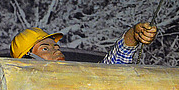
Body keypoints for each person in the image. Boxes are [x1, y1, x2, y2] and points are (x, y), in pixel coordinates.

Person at [9, 23, 158, 63]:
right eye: (45, 49)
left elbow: (110, 70)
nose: (56, 50)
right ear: (27, 60)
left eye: (56, 46)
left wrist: (133, 35)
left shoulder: (77, 80)